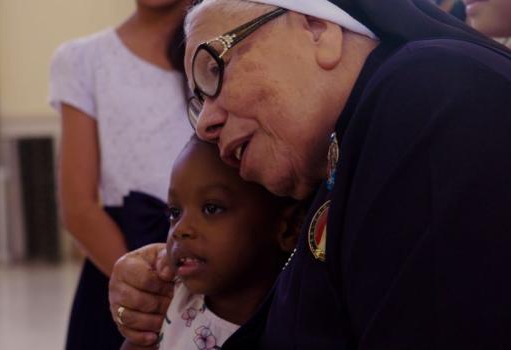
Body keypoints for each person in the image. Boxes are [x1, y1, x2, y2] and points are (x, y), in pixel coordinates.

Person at [109, 0, 511, 349]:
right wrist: (179, 288)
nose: (205, 127)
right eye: (197, 101)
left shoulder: (430, 91)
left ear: (318, 32)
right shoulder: (346, 146)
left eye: (213, 71)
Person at [48, 0, 191, 348]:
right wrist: (142, 287)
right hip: (120, 262)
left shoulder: (221, 48)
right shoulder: (84, 59)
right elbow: (78, 206)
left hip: (215, 263)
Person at [120, 136, 302, 350]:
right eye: (175, 212)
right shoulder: (169, 305)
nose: (180, 229)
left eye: (211, 209)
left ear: (288, 229)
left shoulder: (299, 326)